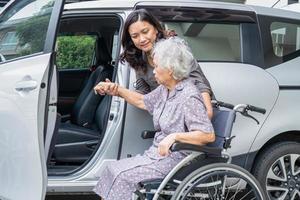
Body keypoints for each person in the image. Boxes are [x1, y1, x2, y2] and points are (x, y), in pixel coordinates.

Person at [93, 37, 215, 200]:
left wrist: (174, 137)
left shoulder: (189, 96)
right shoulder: (166, 89)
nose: (154, 71)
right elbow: (143, 101)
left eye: (157, 66)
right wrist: (116, 90)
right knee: (111, 169)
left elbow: (207, 135)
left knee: (123, 177)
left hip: (176, 160)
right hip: (156, 155)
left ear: (170, 69)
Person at [109, 8, 214, 119]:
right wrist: (117, 90)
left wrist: (207, 112)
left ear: (156, 29)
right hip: (172, 117)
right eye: (135, 36)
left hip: (195, 111)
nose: (142, 39)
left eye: (145, 32)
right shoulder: (138, 57)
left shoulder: (173, 47)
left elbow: (198, 82)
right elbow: (144, 94)